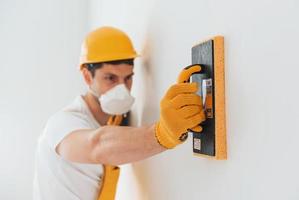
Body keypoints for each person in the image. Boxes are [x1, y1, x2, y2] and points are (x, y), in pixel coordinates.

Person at [33, 26, 205, 200]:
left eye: (128, 78)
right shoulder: (62, 123)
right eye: (110, 78)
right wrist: (164, 133)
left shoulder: (116, 121)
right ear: (87, 76)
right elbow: (97, 145)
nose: (121, 88)